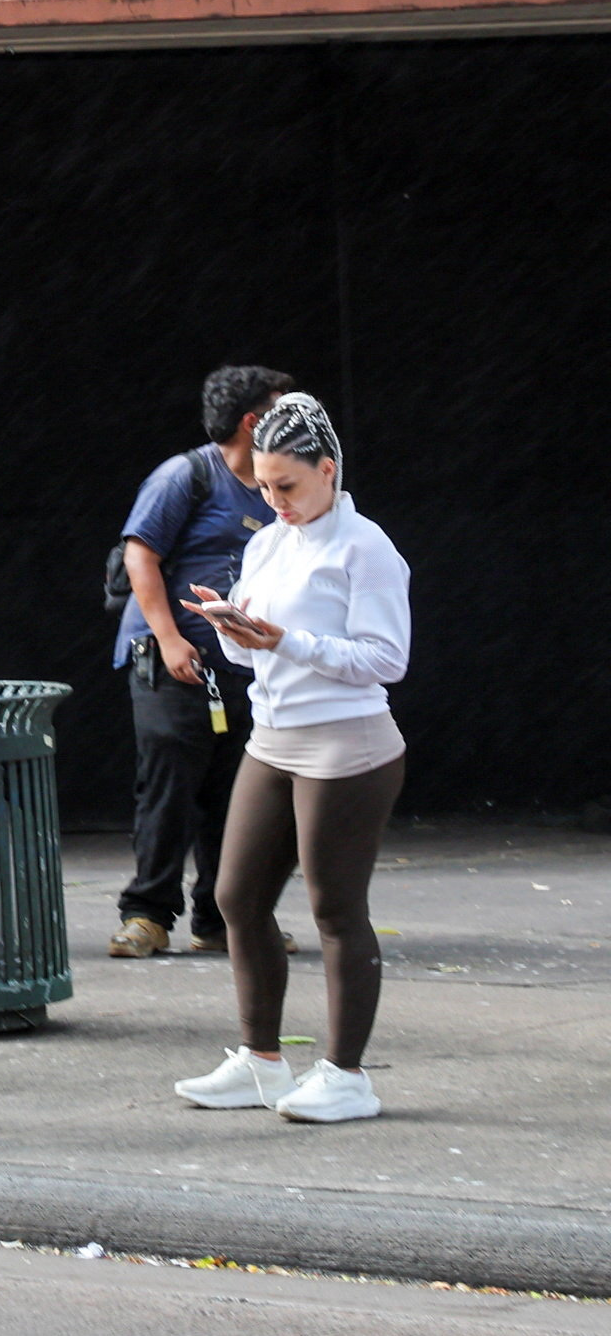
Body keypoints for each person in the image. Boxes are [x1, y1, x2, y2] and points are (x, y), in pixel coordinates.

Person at [172, 392, 410, 1125]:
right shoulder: (271, 540)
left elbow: (386, 659)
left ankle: (347, 1076)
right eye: (263, 487)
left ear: (328, 470)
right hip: (273, 735)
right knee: (236, 897)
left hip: (348, 743)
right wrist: (235, 629)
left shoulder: (365, 546)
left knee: (335, 909)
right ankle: (262, 1062)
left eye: (288, 486)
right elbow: (260, 648)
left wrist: (284, 642)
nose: (275, 501)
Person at [112, 365, 293, 960]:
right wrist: (168, 639)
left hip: (247, 668)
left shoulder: (277, 488)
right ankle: (147, 916)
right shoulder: (186, 475)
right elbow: (140, 558)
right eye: (280, 410)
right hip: (173, 663)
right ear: (252, 421)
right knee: (168, 788)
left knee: (236, 794)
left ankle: (221, 918)